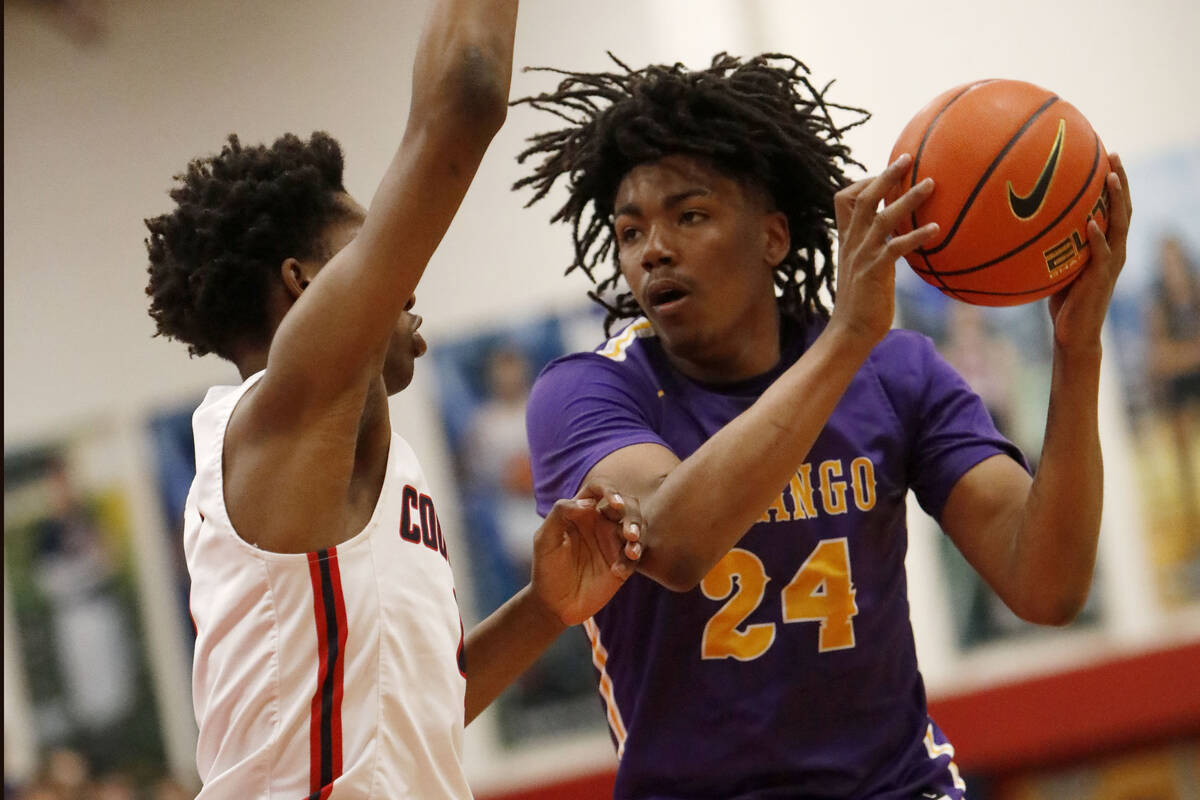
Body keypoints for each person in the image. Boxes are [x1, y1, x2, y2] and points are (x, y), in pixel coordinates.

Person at [513, 53, 1131, 799]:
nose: (655, 249)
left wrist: (1076, 349)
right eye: (631, 229)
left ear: (773, 238)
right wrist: (847, 337)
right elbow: (670, 543)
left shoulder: (897, 373)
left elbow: (1047, 584)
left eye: (690, 215)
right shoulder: (588, 392)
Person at [143, 2, 641, 797]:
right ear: (306, 286)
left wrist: (545, 610)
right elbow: (465, 103)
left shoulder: (370, 467)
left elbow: (415, 716)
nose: (406, 275)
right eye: (366, 248)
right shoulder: (280, 415)